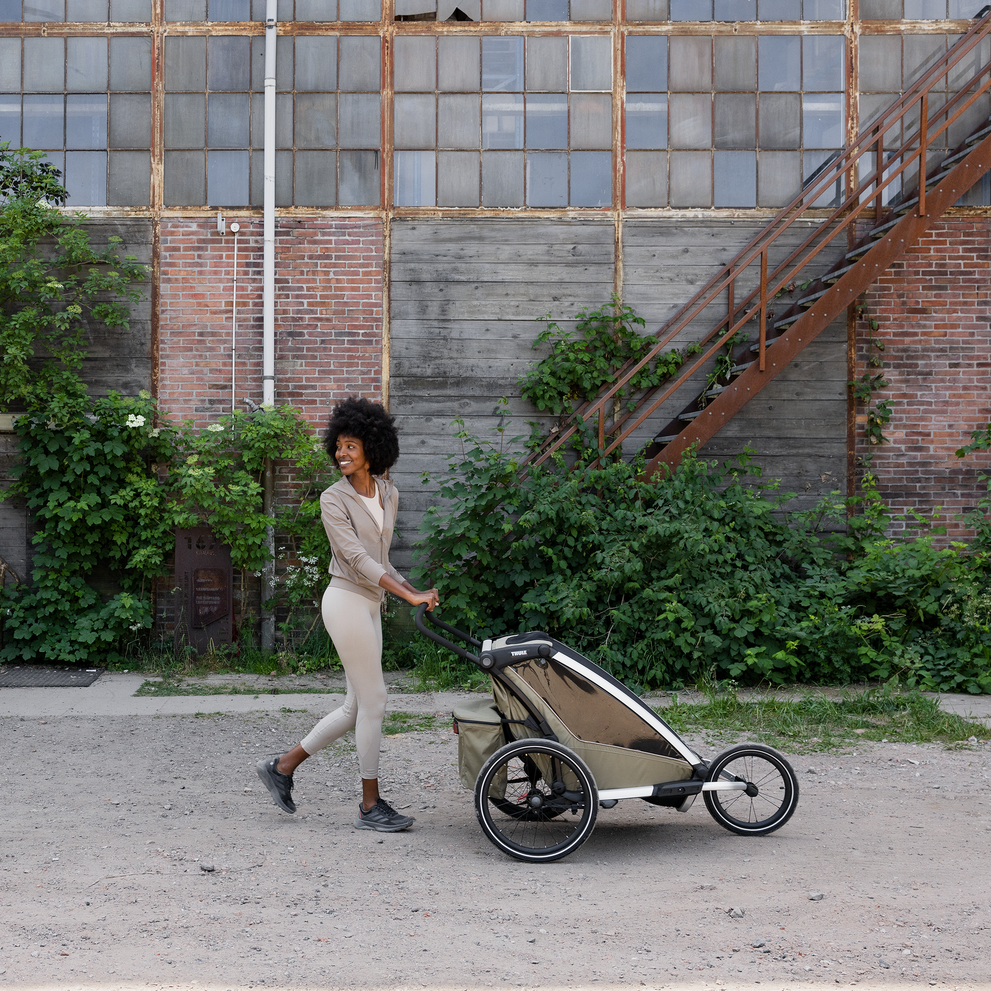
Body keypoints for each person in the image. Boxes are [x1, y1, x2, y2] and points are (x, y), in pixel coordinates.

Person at [256, 397, 440, 832]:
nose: (342, 453)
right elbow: (356, 559)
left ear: (372, 448)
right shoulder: (331, 499)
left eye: (351, 446)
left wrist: (414, 591)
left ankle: (282, 768)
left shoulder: (388, 493)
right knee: (375, 700)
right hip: (344, 601)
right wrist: (406, 596)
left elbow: (382, 558)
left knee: (357, 706)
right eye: (338, 446)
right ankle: (369, 806)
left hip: (370, 604)